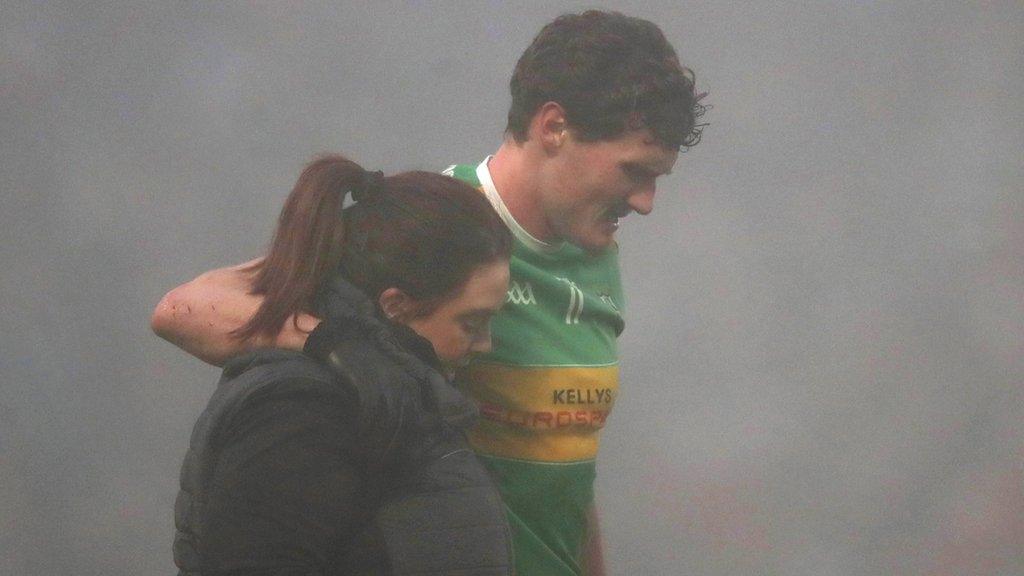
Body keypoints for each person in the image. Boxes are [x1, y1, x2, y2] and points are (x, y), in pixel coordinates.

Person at [154, 10, 704, 575]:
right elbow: (183, 310)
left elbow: (565, 471)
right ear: (553, 127)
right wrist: (347, 350)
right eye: (634, 171)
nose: (645, 202)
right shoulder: (435, 230)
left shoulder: (595, 251)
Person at [169, 155, 515, 575]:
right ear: (396, 307)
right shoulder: (300, 412)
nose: (485, 344)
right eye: (471, 323)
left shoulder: (396, 395)